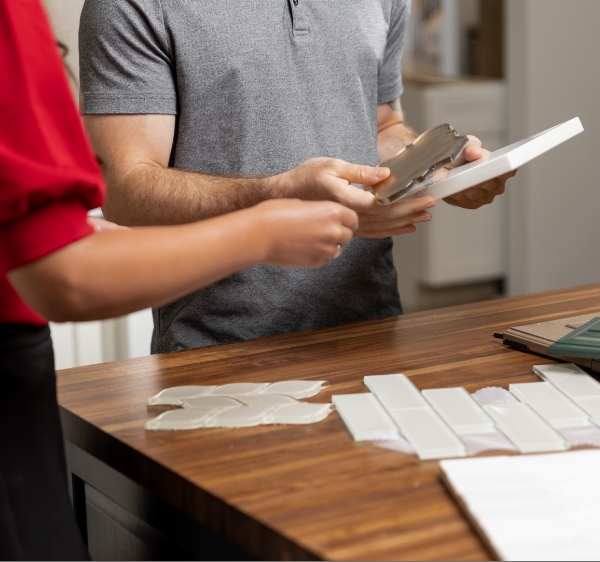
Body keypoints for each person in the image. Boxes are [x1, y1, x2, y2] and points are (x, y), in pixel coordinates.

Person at [0, 0, 392, 558]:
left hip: (373, 342)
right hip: (203, 365)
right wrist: (266, 219)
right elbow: (70, 262)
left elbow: (380, 126)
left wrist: (426, 168)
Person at [79, 0, 515, 354]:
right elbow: (125, 189)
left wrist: (434, 164)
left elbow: (381, 126)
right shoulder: (129, 6)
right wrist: (279, 194)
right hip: (217, 347)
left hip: (372, 328)